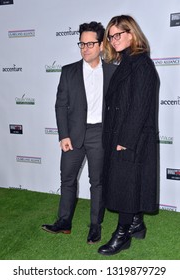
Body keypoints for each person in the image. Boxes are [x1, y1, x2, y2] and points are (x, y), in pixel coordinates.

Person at [42, 21, 117, 244]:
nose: (85, 48)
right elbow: (60, 105)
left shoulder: (113, 72)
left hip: (100, 133)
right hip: (73, 135)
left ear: (102, 44)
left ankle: (95, 226)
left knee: (97, 182)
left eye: (90, 43)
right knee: (67, 179)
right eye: (81, 44)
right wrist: (63, 135)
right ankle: (64, 222)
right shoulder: (68, 71)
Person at [98, 15, 160, 255]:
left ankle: (122, 233)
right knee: (127, 183)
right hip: (120, 135)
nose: (113, 40)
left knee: (125, 186)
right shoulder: (126, 62)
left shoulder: (141, 64)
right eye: (111, 36)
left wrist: (125, 141)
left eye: (118, 35)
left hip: (132, 138)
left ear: (131, 34)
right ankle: (136, 223)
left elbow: (139, 107)